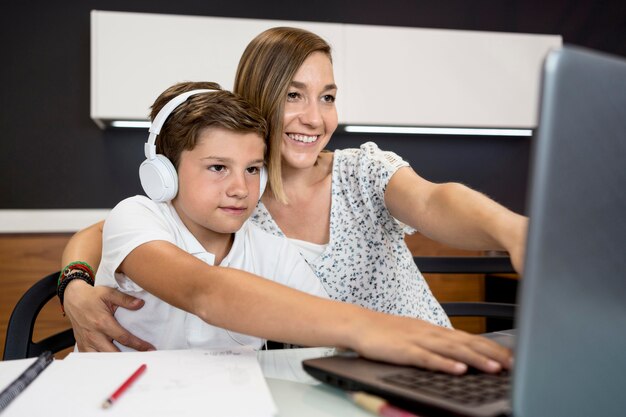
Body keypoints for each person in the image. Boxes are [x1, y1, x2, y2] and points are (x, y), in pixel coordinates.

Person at [61, 27, 526, 374]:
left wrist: (512, 230)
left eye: (327, 96)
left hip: (410, 354)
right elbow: (128, 245)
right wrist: (74, 285)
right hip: (349, 362)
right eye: (293, 95)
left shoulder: (354, 175)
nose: (315, 117)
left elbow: (432, 202)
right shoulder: (219, 216)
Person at [83, 81, 329, 350]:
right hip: (123, 389)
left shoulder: (274, 251)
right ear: (166, 173)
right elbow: (204, 292)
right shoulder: (135, 217)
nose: (240, 189)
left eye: (252, 169)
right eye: (218, 167)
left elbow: (325, 319)